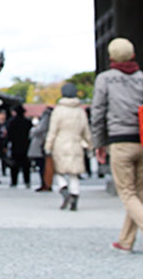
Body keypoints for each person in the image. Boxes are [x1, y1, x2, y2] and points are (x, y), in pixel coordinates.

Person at [91, 37, 143, 259]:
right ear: (133, 55)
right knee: (137, 194)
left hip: (120, 141)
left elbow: (97, 113)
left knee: (127, 193)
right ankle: (126, 241)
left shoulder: (105, 79)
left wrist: (99, 143)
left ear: (111, 57)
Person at [45, 83, 92, 211]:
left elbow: (52, 131)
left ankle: (64, 189)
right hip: (76, 143)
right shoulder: (80, 111)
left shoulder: (58, 110)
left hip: (60, 144)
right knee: (74, 173)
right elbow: (86, 130)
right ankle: (75, 194)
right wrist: (90, 145)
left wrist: (48, 146)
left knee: (59, 171)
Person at [8, 104, 32, 188]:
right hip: (26, 146)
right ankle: (27, 181)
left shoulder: (12, 121)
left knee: (14, 165)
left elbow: (9, 135)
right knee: (26, 166)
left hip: (15, 146)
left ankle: (14, 181)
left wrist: (5, 145)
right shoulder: (27, 122)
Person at [29, 108, 53, 191]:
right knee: (44, 166)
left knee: (42, 166)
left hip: (40, 145)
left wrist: (32, 130)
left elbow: (39, 129)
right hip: (44, 145)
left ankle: (45, 183)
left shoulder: (46, 118)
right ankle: (46, 183)